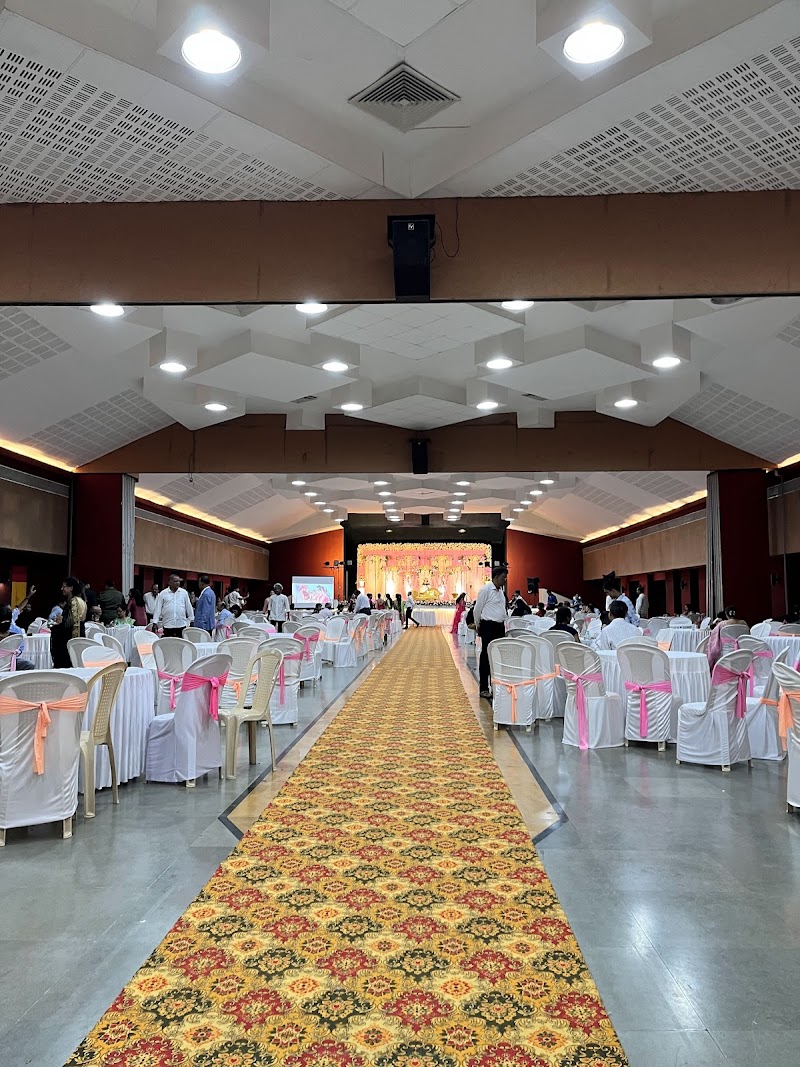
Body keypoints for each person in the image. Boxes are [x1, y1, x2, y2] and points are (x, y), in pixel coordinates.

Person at [475, 567, 509, 700]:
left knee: (498, 657)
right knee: (486, 657)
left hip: (499, 627)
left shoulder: (500, 591)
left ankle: (496, 686)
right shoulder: (486, 590)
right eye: (503, 577)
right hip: (488, 626)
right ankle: (484, 688)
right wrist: (478, 625)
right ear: (495, 576)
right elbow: (477, 610)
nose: (504, 580)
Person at [50, 576, 87, 668]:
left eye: (64, 586)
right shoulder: (81, 600)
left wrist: (57, 625)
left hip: (69, 641)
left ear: (71, 588)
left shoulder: (74, 601)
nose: (62, 589)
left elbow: (70, 623)